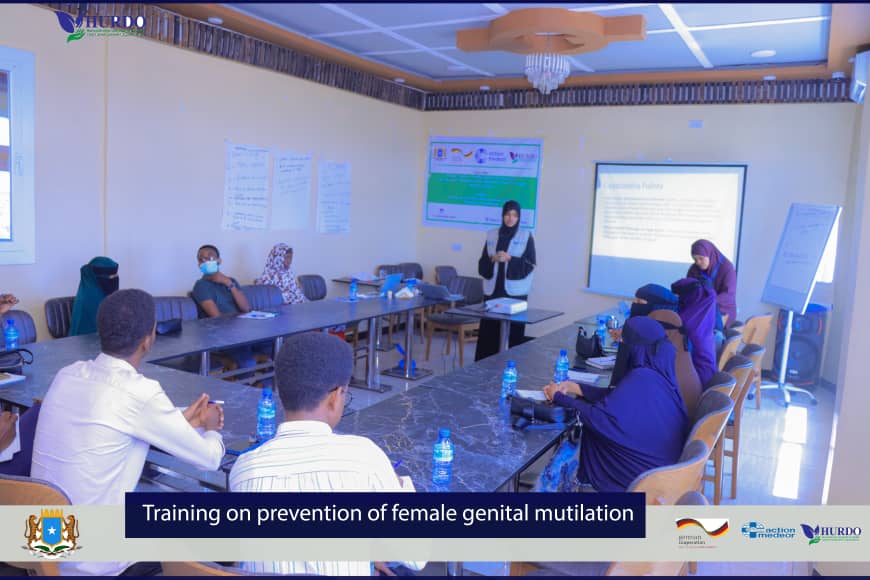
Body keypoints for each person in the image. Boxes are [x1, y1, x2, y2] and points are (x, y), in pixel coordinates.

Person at [31, 289, 225, 576]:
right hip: (96, 563)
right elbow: (209, 460)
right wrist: (211, 427)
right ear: (149, 338)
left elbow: (113, 423)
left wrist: (177, 423)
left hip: (47, 548)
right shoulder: (140, 392)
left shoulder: (68, 374)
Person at [229, 332, 423, 576]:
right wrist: (400, 484)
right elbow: (416, 556)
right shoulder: (364, 456)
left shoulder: (244, 468)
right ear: (334, 397)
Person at [543, 316, 688, 492]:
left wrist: (559, 397)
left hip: (640, 482)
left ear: (636, 347)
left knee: (576, 443)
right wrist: (577, 388)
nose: (621, 344)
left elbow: (600, 419)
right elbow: (619, 398)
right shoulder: (655, 373)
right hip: (662, 473)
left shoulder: (642, 377)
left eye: (624, 341)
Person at [474, 200, 536, 361]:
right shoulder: (492, 234)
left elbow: (530, 264)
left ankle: (512, 365)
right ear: (503, 215)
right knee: (489, 330)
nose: (510, 218)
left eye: (514, 215)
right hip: (493, 289)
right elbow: (482, 262)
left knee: (514, 331)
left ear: (518, 217)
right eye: (508, 214)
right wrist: (492, 259)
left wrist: (510, 258)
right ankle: (485, 364)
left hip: (515, 292)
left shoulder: (526, 235)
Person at [191, 244, 260, 379]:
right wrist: (239, 322)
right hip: (222, 336)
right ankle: (244, 386)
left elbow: (246, 308)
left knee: (276, 349)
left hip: (244, 332)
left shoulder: (231, 281)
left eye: (209, 257)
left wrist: (228, 283)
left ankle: (260, 383)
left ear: (219, 261)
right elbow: (217, 317)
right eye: (201, 259)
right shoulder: (201, 286)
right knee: (248, 363)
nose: (204, 261)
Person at [671, 277, 718, 386]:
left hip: (697, 382)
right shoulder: (702, 316)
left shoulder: (686, 324)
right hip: (707, 376)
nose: (675, 300)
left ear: (688, 297)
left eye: (678, 296)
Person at [687, 239, 737, 327]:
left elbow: (728, 295)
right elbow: (688, 287)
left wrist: (708, 301)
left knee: (698, 324)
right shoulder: (694, 269)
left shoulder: (727, 268)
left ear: (710, 254)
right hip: (700, 307)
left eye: (701, 258)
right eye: (695, 259)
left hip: (723, 308)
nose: (698, 262)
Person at [69, 256, 119, 336]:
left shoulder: (98, 291)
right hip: (86, 341)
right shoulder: (90, 299)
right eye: (110, 276)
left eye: (115, 275)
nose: (114, 278)